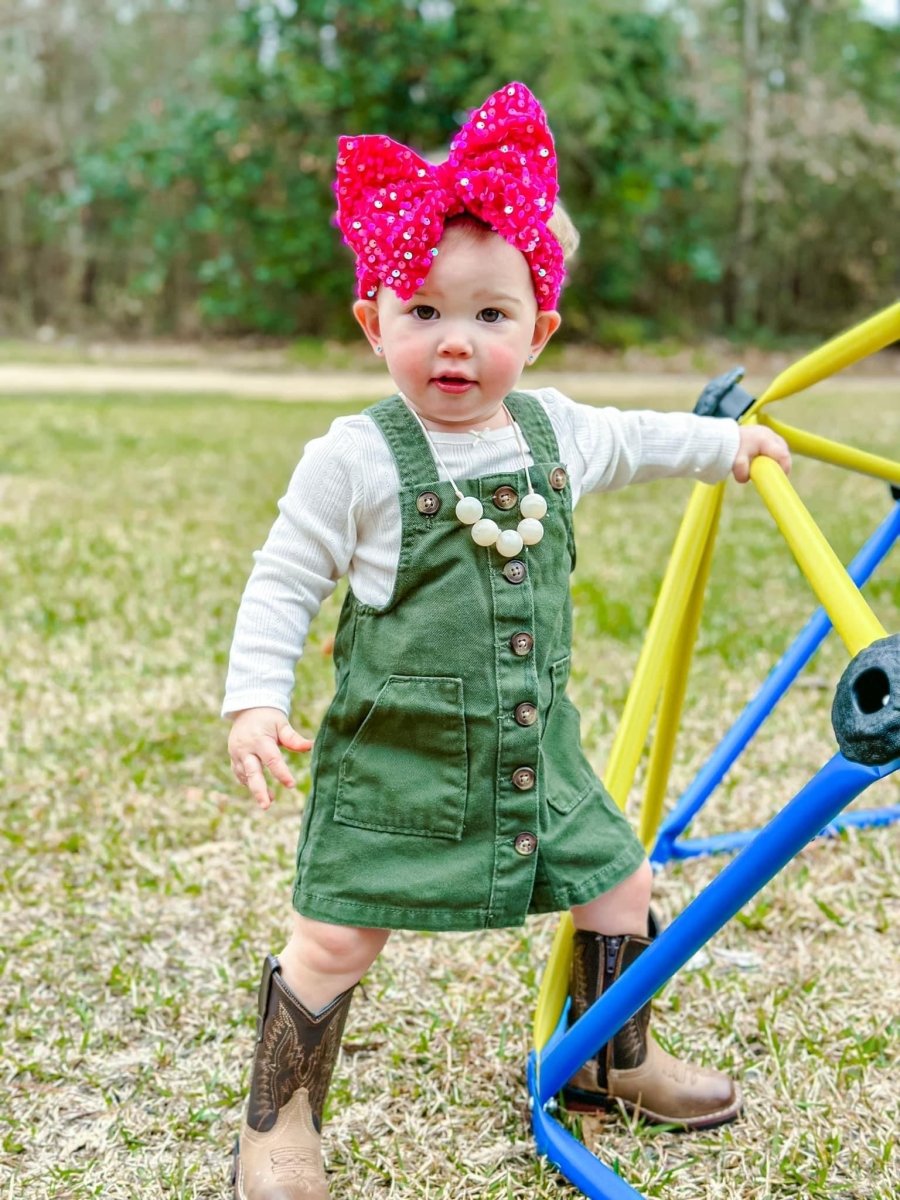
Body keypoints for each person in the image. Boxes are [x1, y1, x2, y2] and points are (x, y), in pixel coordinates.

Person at [223, 82, 791, 1200]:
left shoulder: (557, 429)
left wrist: (726, 443)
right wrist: (253, 696)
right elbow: (283, 577)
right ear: (371, 321)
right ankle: (278, 1120)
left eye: (489, 316)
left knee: (618, 881)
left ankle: (609, 1058)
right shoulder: (356, 456)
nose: (454, 342)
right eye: (422, 312)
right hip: (400, 766)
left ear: (538, 329)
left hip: (541, 753)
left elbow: (638, 438)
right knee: (335, 940)